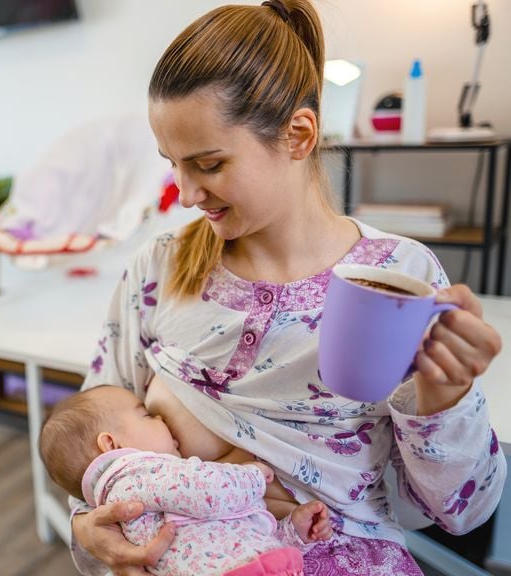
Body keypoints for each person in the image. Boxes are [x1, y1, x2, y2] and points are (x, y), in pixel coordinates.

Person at [70, 1, 506, 575]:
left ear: (299, 135)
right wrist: (86, 528)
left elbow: (462, 513)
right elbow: (86, 439)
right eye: (173, 164)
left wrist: (447, 400)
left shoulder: (402, 279)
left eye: (208, 163)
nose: (186, 193)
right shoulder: (159, 270)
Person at [40, 384, 332, 576]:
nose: (162, 420)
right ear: (112, 445)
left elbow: (230, 538)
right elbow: (209, 492)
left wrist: (292, 533)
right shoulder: (135, 479)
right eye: (148, 415)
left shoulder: (143, 491)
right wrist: (252, 476)